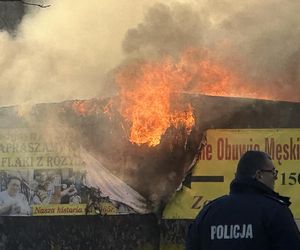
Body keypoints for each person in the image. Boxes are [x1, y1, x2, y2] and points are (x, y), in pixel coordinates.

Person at [186, 150, 300, 250]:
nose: (275, 177)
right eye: (273, 172)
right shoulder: (275, 212)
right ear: (259, 174)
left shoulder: (208, 212)